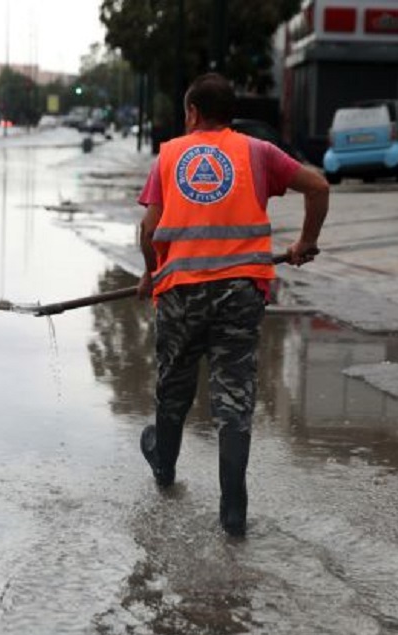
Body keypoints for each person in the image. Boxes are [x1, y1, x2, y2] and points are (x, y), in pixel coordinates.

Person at [136, 72, 329, 537]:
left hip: (181, 293)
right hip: (241, 292)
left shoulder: (170, 155)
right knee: (233, 399)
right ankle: (233, 509)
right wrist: (305, 241)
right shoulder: (256, 152)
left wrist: (149, 271)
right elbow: (319, 186)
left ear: (193, 113)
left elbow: (149, 227)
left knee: (174, 386)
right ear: (231, 114)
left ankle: (164, 466)